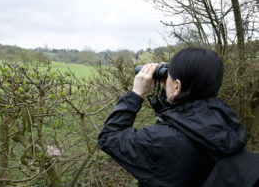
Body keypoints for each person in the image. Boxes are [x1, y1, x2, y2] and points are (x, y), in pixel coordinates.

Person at [98, 48, 259, 187]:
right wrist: (171, 88)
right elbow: (182, 116)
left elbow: (109, 136)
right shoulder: (225, 121)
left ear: (177, 86)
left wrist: (135, 93)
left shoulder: (161, 140)